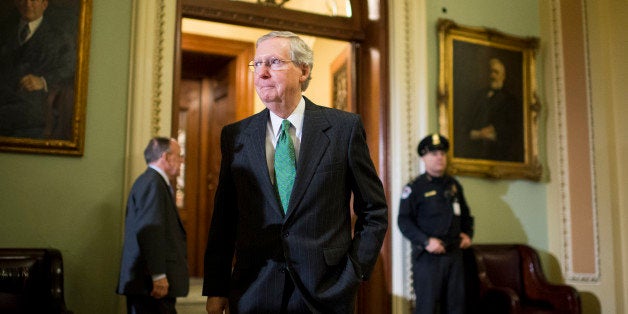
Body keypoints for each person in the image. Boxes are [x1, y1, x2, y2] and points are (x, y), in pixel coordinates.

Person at [202, 31, 388, 314]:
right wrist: (217, 288)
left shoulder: (343, 129)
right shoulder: (236, 135)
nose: (261, 73)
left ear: (304, 70)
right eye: (257, 64)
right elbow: (224, 219)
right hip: (253, 290)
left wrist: (355, 271)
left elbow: (373, 210)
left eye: (274, 62)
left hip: (326, 292)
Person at [398, 134, 474, 314]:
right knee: (428, 308)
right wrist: (426, 241)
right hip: (428, 259)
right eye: (433, 153)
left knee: (456, 308)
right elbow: (403, 220)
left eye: (442, 153)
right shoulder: (415, 187)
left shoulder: (454, 185)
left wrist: (468, 234)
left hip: (455, 255)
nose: (439, 157)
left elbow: (466, 214)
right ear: (424, 158)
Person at [117, 137, 189, 314]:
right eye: (179, 156)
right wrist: (158, 275)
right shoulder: (152, 183)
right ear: (165, 157)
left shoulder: (154, 182)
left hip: (149, 283)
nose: (182, 161)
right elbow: (150, 231)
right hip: (149, 285)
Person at [0, 0, 75, 139]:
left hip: (35, 112)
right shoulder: (4, 31)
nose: (28, 4)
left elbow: (69, 67)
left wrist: (43, 80)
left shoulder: (59, 37)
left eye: (34, 0)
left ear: (44, 4)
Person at [462, 58, 523, 162]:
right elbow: (466, 123)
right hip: (475, 152)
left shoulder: (511, 100)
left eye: (496, 72)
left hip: (500, 154)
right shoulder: (478, 96)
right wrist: (477, 134)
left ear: (503, 76)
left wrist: (494, 130)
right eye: (491, 72)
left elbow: (514, 129)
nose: (492, 76)